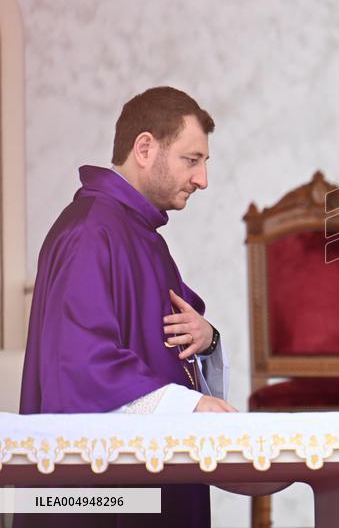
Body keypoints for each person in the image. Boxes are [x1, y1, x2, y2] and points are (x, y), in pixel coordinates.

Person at [19, 86, 235, 527]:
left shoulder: (142, 236)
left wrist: (208, 339)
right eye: (191, 160)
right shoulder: (89, 233)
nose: (202, 180)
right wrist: (188, 407)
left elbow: (169, 347)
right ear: (144, 148)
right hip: (105, 502)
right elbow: (81, 369)